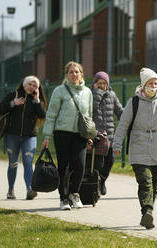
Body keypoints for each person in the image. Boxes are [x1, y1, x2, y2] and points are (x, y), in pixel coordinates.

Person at [112, 67, 157, 229]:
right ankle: (147, 211)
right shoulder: (133, 102)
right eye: (150, 83)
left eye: (156, 83)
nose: (153, 86)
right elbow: (123, 124)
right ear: (143, 85)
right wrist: (117, 144)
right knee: (145, 182)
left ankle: (147, 212)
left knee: (154, 185)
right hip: (139, 146)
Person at [42, 61, 93, 211]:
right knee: (63, 166)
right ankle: (63, 198)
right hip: (62, 133)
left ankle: (74, 194)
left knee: (80, 165)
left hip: (80, 135)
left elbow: (89, 115)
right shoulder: (59, 91)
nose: (74, 74)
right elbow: (51, 114)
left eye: (77, 72)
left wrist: (89, 134)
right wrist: (46, 135)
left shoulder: (88, 92)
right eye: (71, 72)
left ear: (81, 74)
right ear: (66, 75)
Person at [0, 75, 47, 200]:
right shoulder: (13, 95)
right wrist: (12, 103)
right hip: (12, 136)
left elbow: (42, 115)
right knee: (13, 163)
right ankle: (10, 190)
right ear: (24, 84)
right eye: (29, 84)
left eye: (34, 86)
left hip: (29, 137)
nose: (31, 87)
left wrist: (37, 101)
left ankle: (29, 189)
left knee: (27, 162)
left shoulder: (36, 100)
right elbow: (1, 109)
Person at [88, 71, 123, 195]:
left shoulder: (112, 95)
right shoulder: (90, 95)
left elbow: (120, 111)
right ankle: (95, 184)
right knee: (98, 161)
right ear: (94, 84)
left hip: (109, 135)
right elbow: (91, 110)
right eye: (99, 83)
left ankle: (102, 180)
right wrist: (97, 94)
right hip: (96, 135)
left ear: (107, 84)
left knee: (110, 160)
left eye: (104, 83)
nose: (102, 85)